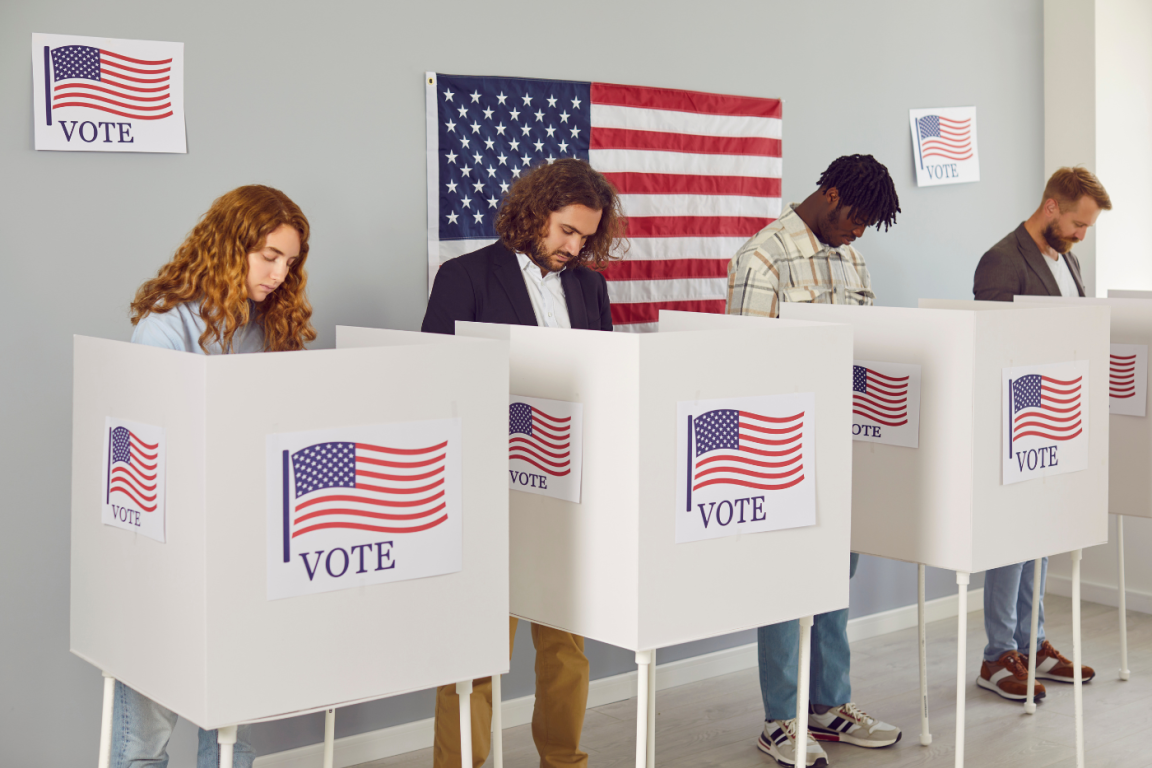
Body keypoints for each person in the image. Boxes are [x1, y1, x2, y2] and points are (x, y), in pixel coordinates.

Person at [422, 158, 625, 768]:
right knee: (476, 649)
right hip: (487, 491)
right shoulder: (465, 276)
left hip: (565, 493)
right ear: (535, 213)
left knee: (566, 645)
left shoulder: (590, 287)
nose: (575, 246)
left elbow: (604, 383)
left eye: (587, 236)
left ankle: (563, 759)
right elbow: (437, 385)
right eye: (566, 230)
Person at [119, 184, 315, 767]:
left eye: (291, 261)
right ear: (231, 247)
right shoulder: (165, 326)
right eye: (269, 256)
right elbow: (151, 450)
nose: (281, 273)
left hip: (245, 545)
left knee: (231, 727)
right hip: (166, 551)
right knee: (145, 736)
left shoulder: (273, 325)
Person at [727, 154, 902, 768]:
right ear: (829, 195)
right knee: (783, 582)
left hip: (845, 439)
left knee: (832, 578)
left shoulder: (852, 257)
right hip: (783, 451)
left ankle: (829, 707)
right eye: (857, 219)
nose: (860, 233)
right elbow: (745, 366)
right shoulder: (762, 257)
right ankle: (781, 719)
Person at [971, 166, 1110, 700]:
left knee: (1041, 538)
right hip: (1016, 426)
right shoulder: (1002, 260)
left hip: (1058, 425)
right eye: (1078, 222)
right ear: (1051, 206)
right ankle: (996, 656)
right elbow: (996, 350)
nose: (1082, 235)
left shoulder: (1067, 259)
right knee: (1010, 540)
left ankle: (1033, 643)